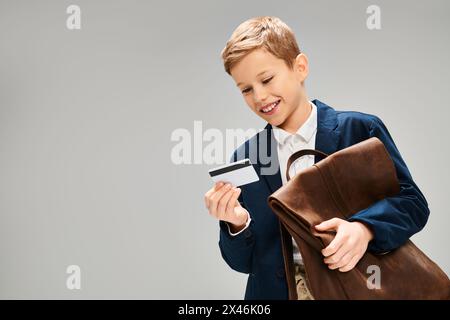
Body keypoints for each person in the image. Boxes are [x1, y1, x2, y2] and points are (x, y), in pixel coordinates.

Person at [204, 16, 429, 300]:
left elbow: (413, 204)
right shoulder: (246, 157)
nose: (259, 96)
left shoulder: (360, 130)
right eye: (246, 89)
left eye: (267, 79)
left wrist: (364, 228)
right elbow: (242, 263)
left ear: (300, 67)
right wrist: (237, 223)